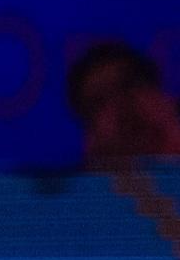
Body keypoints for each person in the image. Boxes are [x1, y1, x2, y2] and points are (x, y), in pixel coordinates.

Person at [69, 40, 180, 168]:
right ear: (91, 142)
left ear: (167, 99)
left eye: (129, 85)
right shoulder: (88, 184)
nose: (122, 107)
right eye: (100, 101)